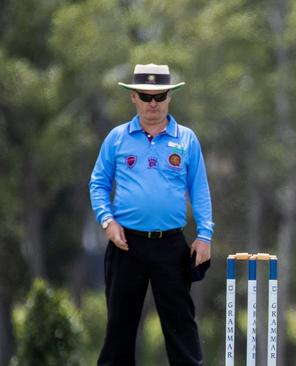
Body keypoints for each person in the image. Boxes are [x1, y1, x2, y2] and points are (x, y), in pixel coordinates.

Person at [89, 64, 214, 366]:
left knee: (180, 325)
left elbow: (199, 189)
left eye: (160, 96)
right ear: (134, 97)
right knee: (119, 327)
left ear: (170, 97)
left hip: (170, 244)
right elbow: (98, 183)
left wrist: (205, 235)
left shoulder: (186, 139)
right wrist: (108, 222)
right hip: (126, 245)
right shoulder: (118, 138)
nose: (153, 103)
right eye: (146, 96)